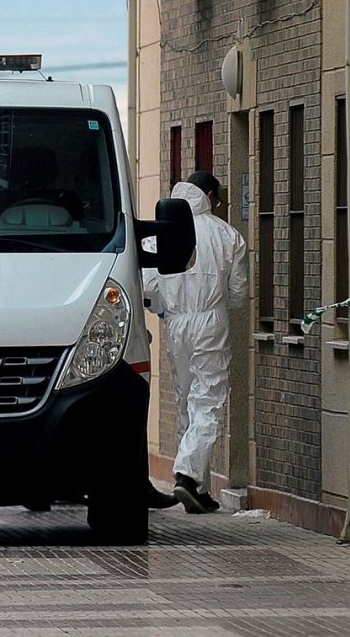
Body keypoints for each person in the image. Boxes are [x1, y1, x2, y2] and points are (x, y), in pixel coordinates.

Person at [142, 171, 250, 515]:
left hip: (174, 323)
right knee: (209, 400)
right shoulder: (226, 235)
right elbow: (239, 294)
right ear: (209, 195)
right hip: (209, 321)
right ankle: (188, 477)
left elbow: (147, 286)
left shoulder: (161, 230)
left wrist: (166, 307)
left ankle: (198, 489)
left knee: (187, 399)